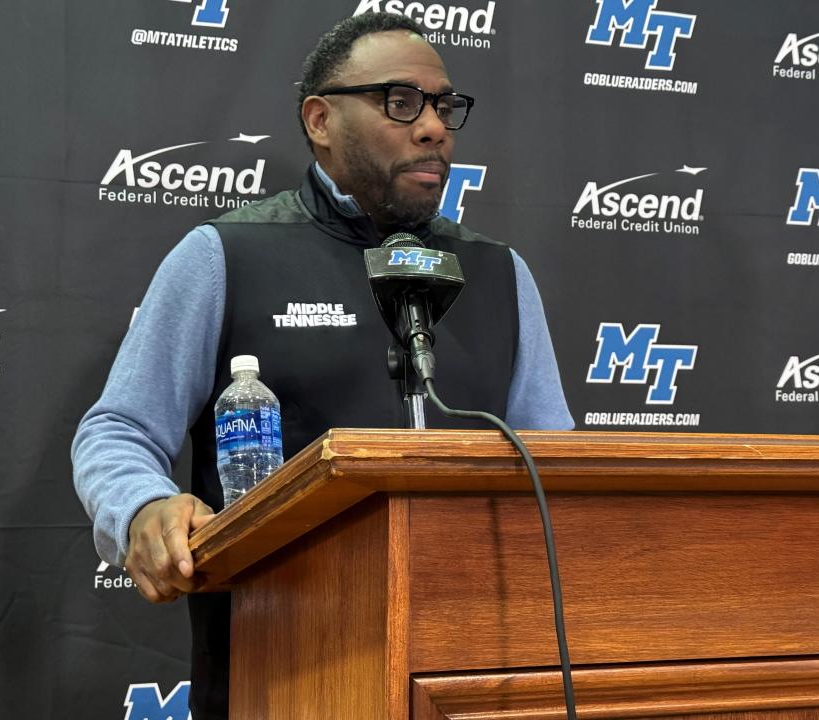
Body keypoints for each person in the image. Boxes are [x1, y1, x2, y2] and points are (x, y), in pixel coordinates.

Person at [72, 11, 573, 720]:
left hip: (474, 676)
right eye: (401, 103)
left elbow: (556, 467)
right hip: (283, 665)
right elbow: (117, 430)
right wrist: (143, 509)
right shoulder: (225, 255)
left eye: (444, 105)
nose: (433, 127)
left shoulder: (499, 272)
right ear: (320, 119)